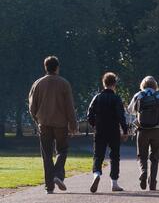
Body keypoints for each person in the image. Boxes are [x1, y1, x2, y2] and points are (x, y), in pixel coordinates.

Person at [28, 56, 78, 194]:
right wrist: (73, 125)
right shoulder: (64, 83)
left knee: (46, 154)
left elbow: (32, 107)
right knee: (62, 150)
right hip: (61, 124)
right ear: (57, 67)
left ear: (46, 67)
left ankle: (49, 186)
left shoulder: (37, 84)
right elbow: (69, 106)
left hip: (43, 123)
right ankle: (58, 175)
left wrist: (37, 120)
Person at [128, 76, 159, 191]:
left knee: (142, 156)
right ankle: (152, 181)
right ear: (155, 86)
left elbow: (130, 110)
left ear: (143, 85)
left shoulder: (138, 96)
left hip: (142, 130)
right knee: (154, 157)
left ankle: (143, 173)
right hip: (156, 131)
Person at [87, 73, 128, 193]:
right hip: (113, 130)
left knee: (98, 154)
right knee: (115, 156)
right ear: (114, 84)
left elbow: (89, 114)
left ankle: (97, 174)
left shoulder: (97, 97)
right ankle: (114, 183)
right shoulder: (116, 98)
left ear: (103, 83)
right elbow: (121, 116)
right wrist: (125, 130)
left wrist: (94, 124)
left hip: (100, 130)